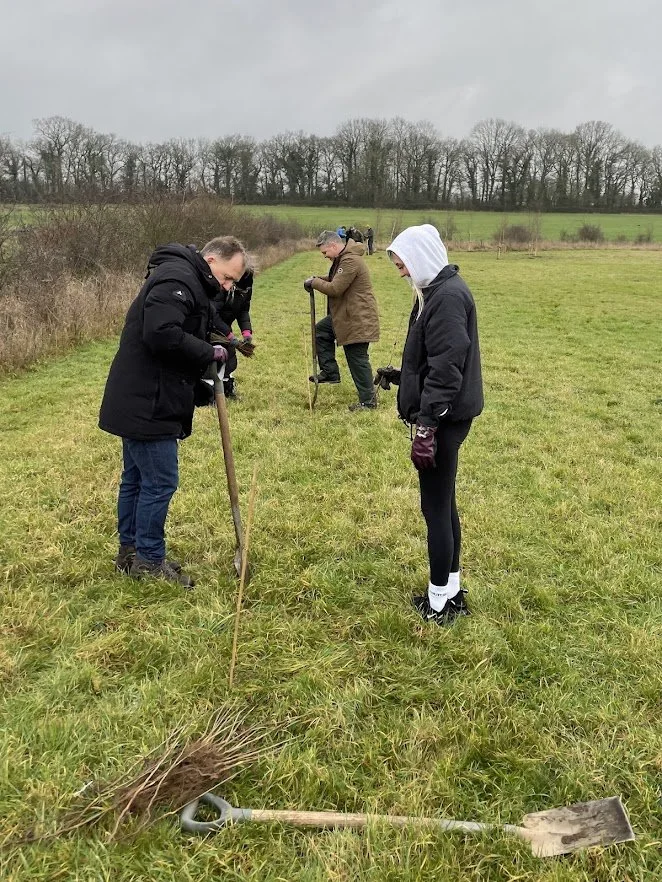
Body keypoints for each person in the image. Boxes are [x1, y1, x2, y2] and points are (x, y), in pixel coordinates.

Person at [99, 237, 247, 587]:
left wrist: (221, 341)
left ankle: (132, 552)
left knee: (136, 479)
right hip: (149, 399)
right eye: (227, 278)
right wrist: (206, 353)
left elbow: (194, 322)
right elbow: (162, 333)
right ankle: (149, 560)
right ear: (211, 259)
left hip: (142, 394)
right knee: (159, 481)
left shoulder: (187, 278)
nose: (227, 287)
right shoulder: (178, 279)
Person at [376, 224, 483, 624]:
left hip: (444, 420)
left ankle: (439, 604)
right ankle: (451, 590)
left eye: (402, 263)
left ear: (420, 257)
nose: (400, 271)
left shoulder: (448, 299)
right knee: (444, 503)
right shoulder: (436, 292)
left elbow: (448, 369)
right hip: (444, 416)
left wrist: (426, 427)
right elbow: (432, 359)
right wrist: (403, 374)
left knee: (434, 507)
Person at [304, 230, 380, 411]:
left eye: (325, 252)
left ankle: (368, 402)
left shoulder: (350, 260)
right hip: (346, 316)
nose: (325, 256)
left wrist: (314, 283)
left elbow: (335, 288)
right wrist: (315, 279)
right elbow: (334, 279)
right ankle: (330, 372)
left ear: (333, 245)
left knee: (357, 358)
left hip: (358, 318)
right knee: (321, 331)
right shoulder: (343, 259)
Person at [209, 266, 255, 399]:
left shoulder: (246, 289)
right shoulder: (221, 288)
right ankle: (211, 392)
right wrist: (229, 335)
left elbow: (243, 311)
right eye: (241, 290)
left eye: (246, 290)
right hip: (211, 327)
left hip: (225, 326)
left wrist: (246, 332)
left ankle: (227, 387)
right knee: (215, 358)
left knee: (230, 359)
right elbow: (212, 314)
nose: (244, 293)